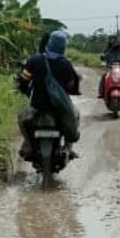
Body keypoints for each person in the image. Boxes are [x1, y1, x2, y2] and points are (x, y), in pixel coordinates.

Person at [16, 30, 81, 161]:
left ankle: (28, 142)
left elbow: (23, 80)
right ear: (63, 47)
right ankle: (69, 147)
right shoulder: (65, 64)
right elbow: (71, 85)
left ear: (49, 43)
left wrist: (23, 90)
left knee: (21, 118)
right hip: (59, 109)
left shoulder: (34, 60)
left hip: (37, 106)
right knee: (75, 116)